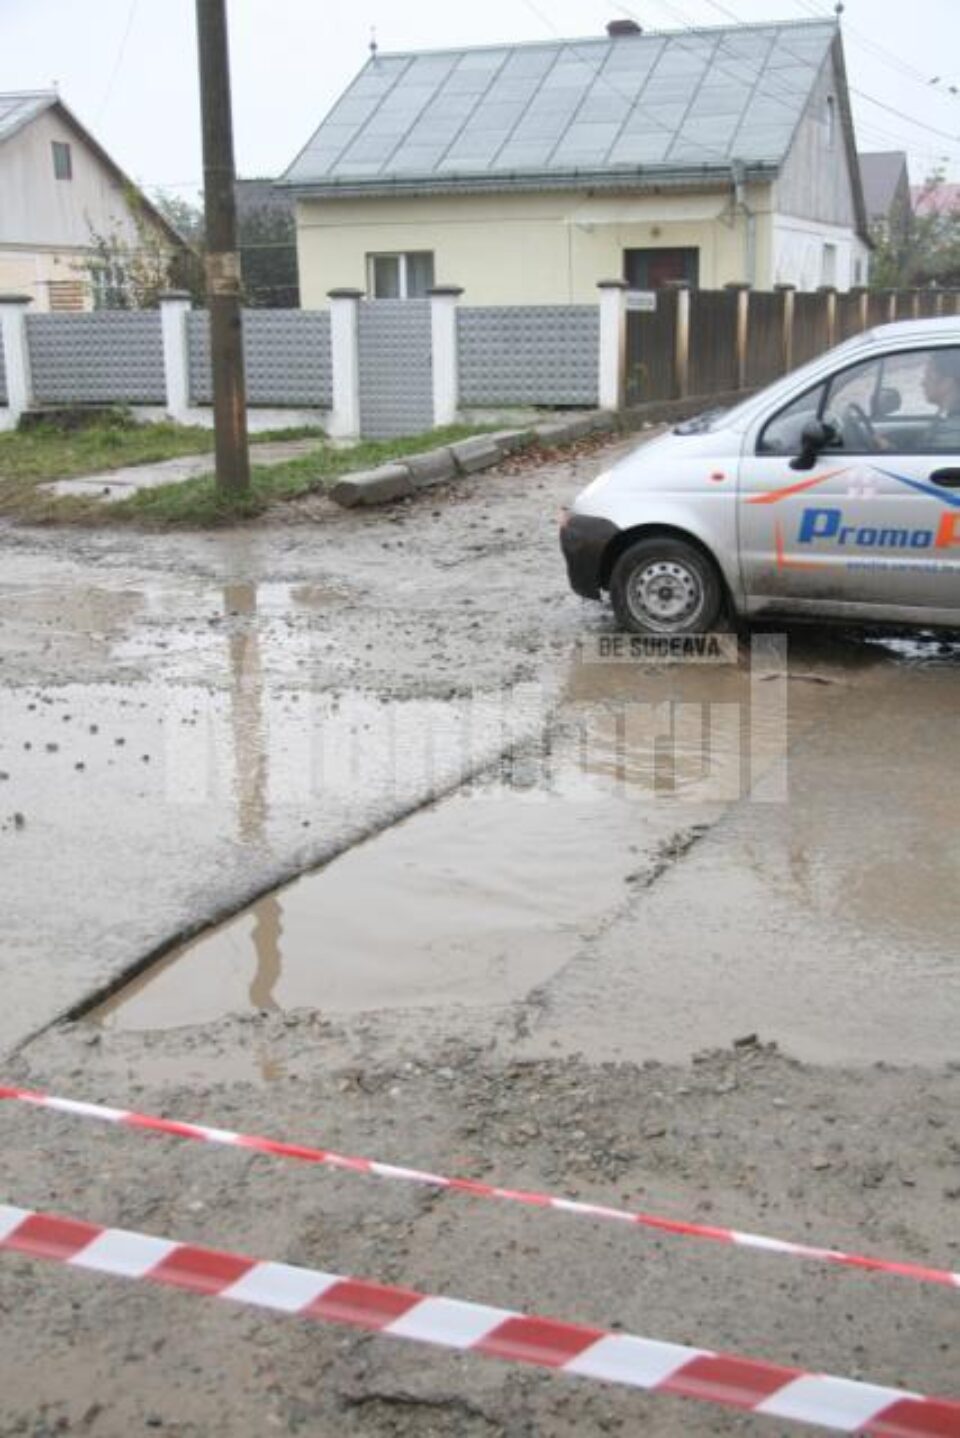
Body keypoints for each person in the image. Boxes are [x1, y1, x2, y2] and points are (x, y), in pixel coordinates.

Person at [921, 349, 960, 451]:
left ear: (947, 383)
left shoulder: (950, 431)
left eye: (929, 377)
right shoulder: (946, 418)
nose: (922, 383)